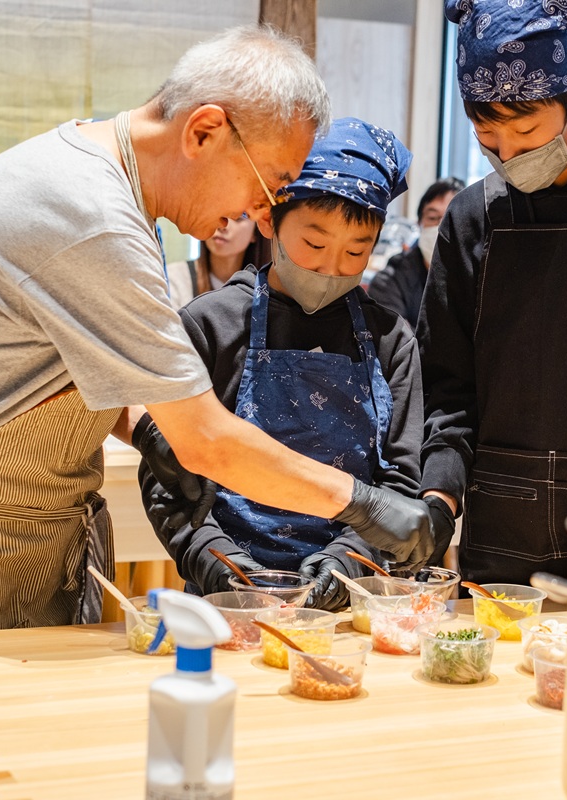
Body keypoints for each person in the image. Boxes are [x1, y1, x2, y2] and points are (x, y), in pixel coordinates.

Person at [0, 26, 434, 799]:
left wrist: (147, 430)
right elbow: (209, 443)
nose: (264, 207)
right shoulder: (91, 215)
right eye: (272, 180)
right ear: (204, 131)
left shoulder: (99, 185)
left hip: (32, 530)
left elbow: (115, 391)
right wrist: (362, 505)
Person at [142, 118, 429, 610]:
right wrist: (213, 559)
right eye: (314, 245)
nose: (330, 268)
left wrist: (350, 560)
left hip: (352, 605)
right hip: (227, 600)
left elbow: (400, 483)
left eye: (355, 251)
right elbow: (169, 469)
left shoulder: (390, 340)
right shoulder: (212, 325)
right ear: (270, 220)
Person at [419, 0, 567, 585]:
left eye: (526, 132)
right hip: (500, 534)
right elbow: (448, 387)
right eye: (488, 137)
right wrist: (438, 500)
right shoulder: (473, 218)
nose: (508, 155)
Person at [369, 176, 464, 328]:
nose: (440, 227)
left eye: (450, 218)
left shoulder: (479, 275)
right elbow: (396, 342)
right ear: (419, 224)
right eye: (433, 217)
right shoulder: (392, 279)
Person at [166, 214, 264, 304]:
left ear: (257, 230)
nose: (223, 227)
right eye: (219, 214)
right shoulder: (174, 278)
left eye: (237, 218)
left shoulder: (264, 290)